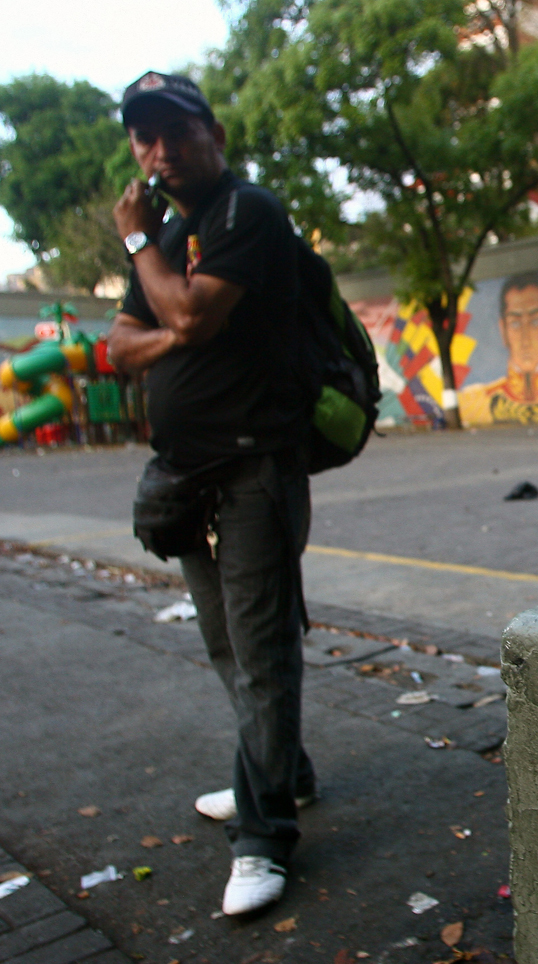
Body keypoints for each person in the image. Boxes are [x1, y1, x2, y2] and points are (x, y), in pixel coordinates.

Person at [107, 71, 315, 916]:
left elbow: (189, 320)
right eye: (144, 136)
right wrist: (171, 309)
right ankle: (283, 773)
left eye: (175, 132)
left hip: (255, 467)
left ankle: (264, 838)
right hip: (186, 477)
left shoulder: (244, 214)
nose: (160, 151)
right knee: (227, 645)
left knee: (262, 654)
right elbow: (120, 345)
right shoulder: (170, 236)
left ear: (214, 134)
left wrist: (145, 264)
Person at [458, 272, 538, 425]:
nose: (526, 340)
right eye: (515, 324)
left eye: (535, 322)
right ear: (503, 330)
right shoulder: (474, 401)